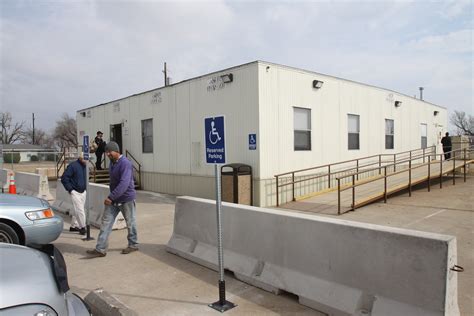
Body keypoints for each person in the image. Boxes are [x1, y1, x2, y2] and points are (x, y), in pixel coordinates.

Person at [87, 141, 138, 257]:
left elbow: (124, 184)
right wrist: (113, 197)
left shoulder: (125, 164)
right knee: (105, 223)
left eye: (110, 151)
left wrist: (111, 197)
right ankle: (100, 249)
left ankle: (133, 244)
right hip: (114, 200)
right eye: (106, 152)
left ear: (117, 151)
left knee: (130, 223)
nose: (108, 154)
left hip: (126, 199)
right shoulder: (112, 163)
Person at [61, 153, 87, 235]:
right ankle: (83, 227)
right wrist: (70, 189)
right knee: (80, 210)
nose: (87, 160)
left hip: (83, 191)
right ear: (80, 158)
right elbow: (64, 178)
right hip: (75, 191)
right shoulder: (73, 166)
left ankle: (73, 226)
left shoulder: (85, 166)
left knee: (78, 209)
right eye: (85, 159)